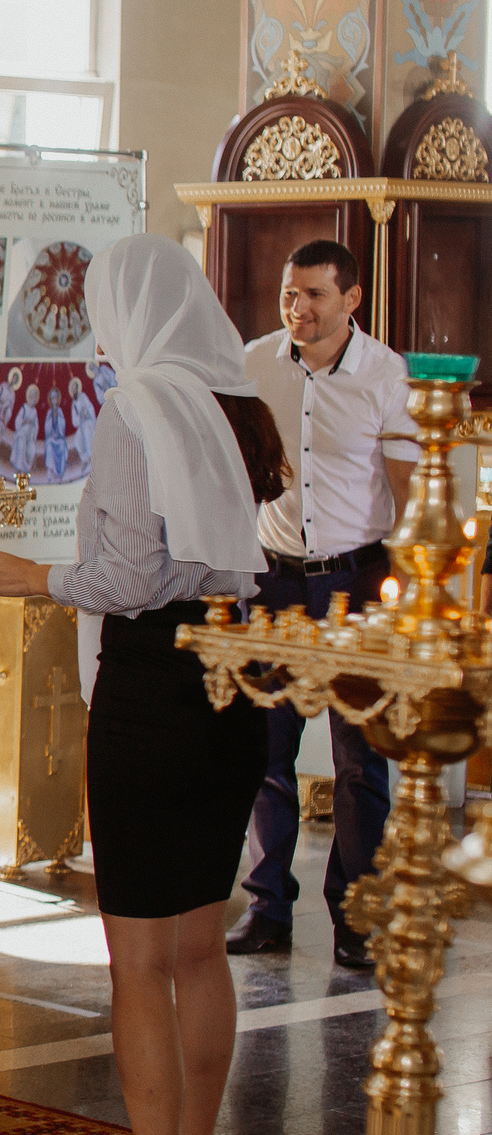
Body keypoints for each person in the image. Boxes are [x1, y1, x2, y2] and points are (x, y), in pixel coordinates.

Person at [0, 233, 283, 1135]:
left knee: (138, 958)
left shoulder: (135, 404)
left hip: (152, 686)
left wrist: (30, 577)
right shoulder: (235, 402)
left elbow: (126, 572)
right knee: (199, 944)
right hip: (233, 681)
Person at [226, 239, 413, 968]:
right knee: (264, 746)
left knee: (360, 756)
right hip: (276, 576)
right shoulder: (256, 361)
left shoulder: (384, 374)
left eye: (314, 295)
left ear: (351, 300)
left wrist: (404, 599)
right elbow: (237, 466)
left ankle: (357, 916)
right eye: (289, 294)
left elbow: (406, 489)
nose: (297, 308)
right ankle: (268, 904)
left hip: (354, 579)